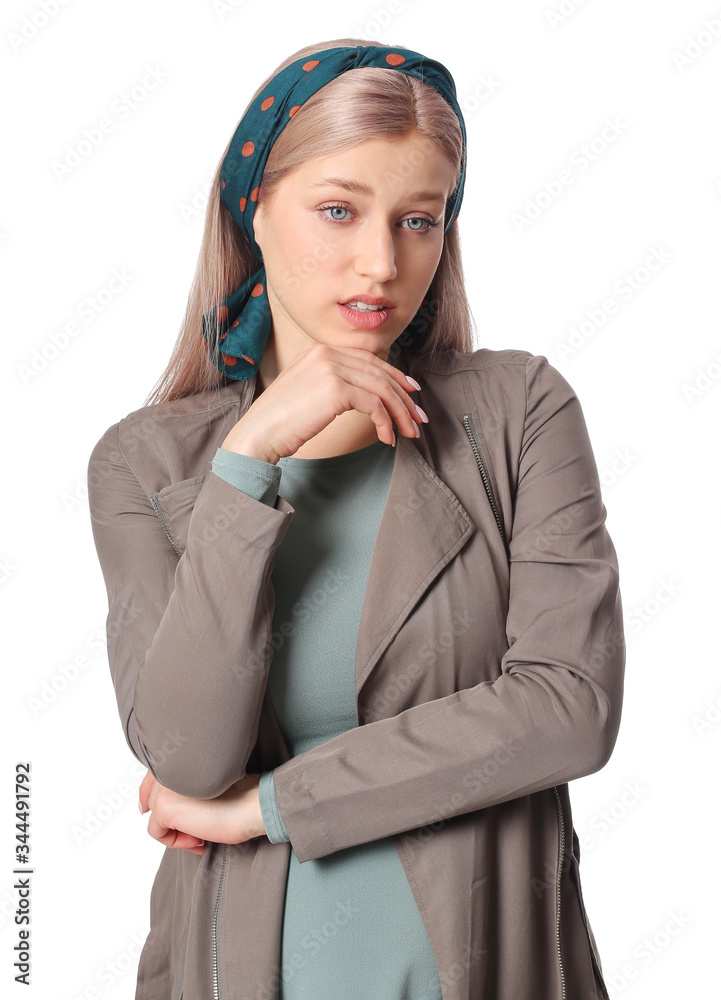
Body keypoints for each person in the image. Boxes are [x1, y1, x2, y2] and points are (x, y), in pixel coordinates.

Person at [87, 38, 625, 1000]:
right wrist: (246, 466)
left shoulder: (519, 411)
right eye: (337, 210)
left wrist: (273, 806)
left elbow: (566, 708)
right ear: (253, 209)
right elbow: (186, 757)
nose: (380, 262)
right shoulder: (146, 462)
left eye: (418, 221)